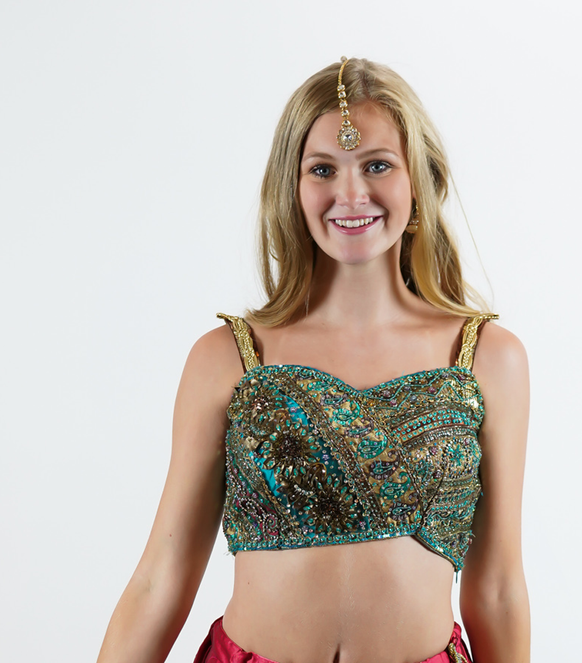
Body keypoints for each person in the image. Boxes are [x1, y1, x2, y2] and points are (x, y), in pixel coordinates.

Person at [97, 57, 530, 663]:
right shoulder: (228, 358)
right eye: (323, 169)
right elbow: (160, 577)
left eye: (377, 165)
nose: (350, 194)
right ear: (293, 188)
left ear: (419, 179)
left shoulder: (487, 358)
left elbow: (499, 588)